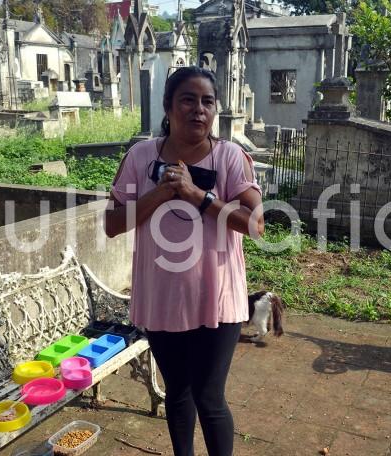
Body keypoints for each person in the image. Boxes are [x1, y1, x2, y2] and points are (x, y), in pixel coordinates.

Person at [104, 66, 264, 456]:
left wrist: (198, 195)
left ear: (215, 109)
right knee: (178, 393)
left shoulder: (230, 157)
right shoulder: (140, 157)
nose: (198, 110)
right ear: (169, 106)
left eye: (207, 101)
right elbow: (112, 224)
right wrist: (160, 193)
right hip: (162, 297)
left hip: (217, 298)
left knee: (209, 398)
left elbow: (255, 224)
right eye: (187, 100)